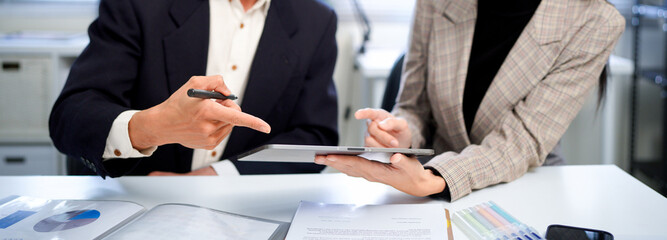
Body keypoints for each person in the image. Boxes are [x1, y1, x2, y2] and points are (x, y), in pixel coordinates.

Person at [316, 0, 624, 201]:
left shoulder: (596, 19)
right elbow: (414, 105)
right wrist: (405, 133)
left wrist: (436, 178)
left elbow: (522, 141)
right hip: (426, 183)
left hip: (522, 184)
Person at [49, 0, 339, 177]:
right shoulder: (138, 4)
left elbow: (315, 135)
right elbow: (71, 116)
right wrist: (151, 127)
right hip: (138, 202)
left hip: (244, 208)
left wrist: (220, 174)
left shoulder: (317, 20)